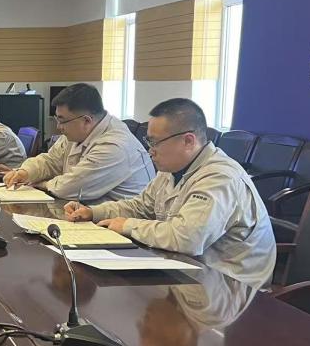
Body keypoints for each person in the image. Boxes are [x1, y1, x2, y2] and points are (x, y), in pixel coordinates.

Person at [63, 98, 276, 289]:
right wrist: (93, 212)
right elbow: (140, 206)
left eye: (155, 142)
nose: (150, 150)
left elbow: (187, 238)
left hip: (232, 287)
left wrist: (127, 225)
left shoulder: (220, 177)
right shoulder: (172, 169)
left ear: (188, 141)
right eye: (149, 141)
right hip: (188, 270)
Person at [2, 83, 153, 202]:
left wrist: (42, 183)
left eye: (62, 120)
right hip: (87, 212)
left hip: (119, 225)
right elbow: (51, 160)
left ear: (86, 120)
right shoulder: (76, 132)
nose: (58, 127)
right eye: (57, 119)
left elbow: (69, 188)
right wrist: (26, 172)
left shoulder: (115, 145)